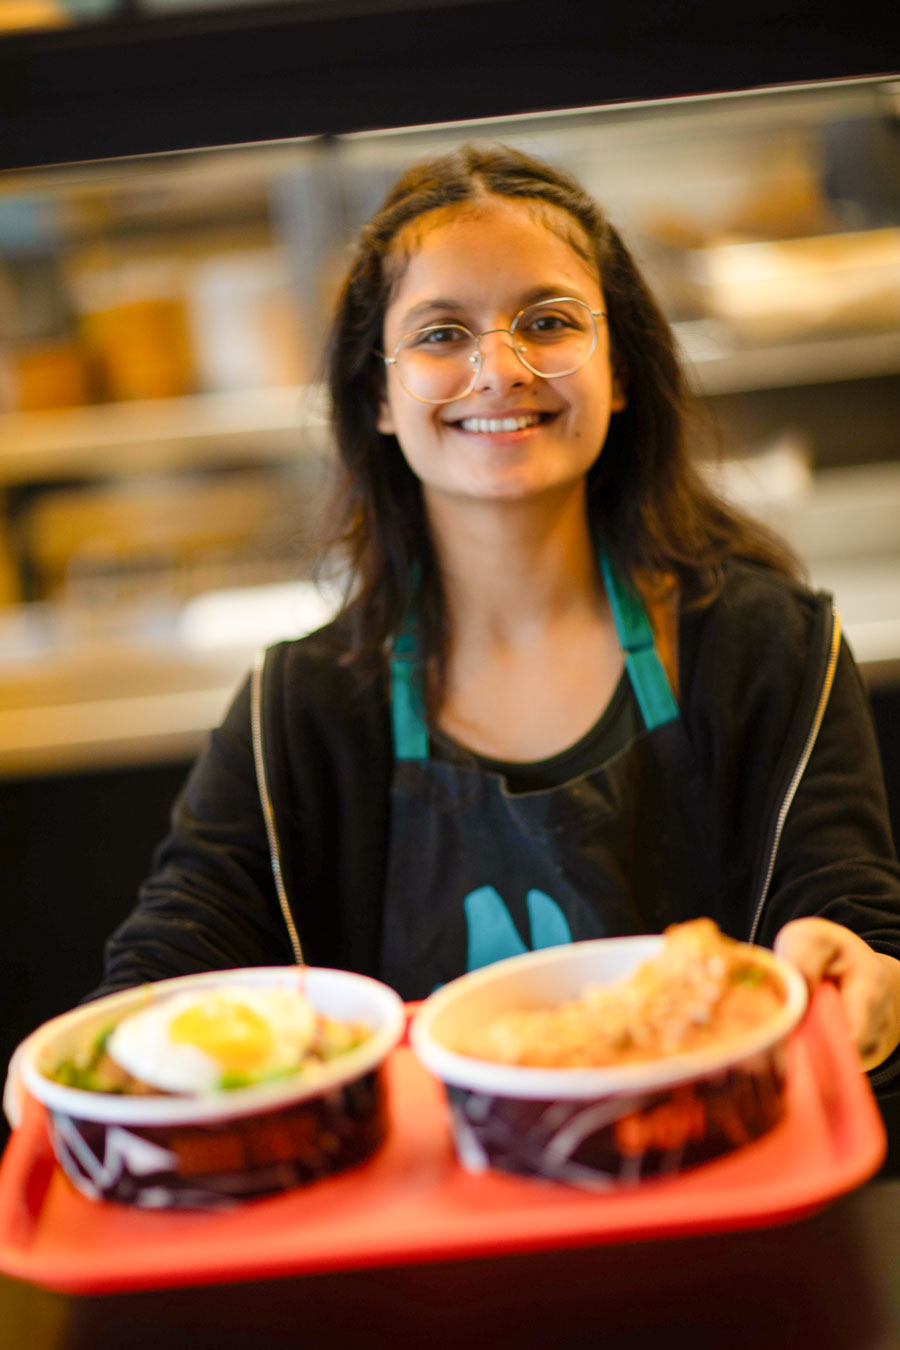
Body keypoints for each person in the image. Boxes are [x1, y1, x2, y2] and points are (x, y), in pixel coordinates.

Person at [95, 144, 900, 1085]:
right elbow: (176, 951)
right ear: (378, 396)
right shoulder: (300, 707)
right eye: (441, 334)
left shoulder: (772, 647)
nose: (499, 369)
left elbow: (849, 917)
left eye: (548, 322)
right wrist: (116, 1052)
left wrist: (864, 976)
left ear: (621, 371)